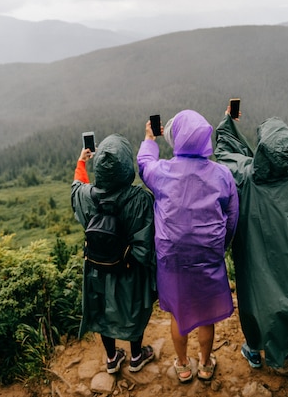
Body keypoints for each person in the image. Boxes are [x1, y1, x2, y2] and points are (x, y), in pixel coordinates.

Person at [214, 104, 288, 373]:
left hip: (250, 254)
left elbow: (224, 153)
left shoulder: (245, 175)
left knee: (252, 300)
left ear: (262, 150)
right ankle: (282, 355)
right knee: (285, 298)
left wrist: (228, 121)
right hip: (287, 255)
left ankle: (254, 348)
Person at [137, 110, 239, 383]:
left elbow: (144, 163)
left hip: (173, 259)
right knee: (207, 315)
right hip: (208, 257)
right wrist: (219, 249)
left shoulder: (162, 172)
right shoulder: (223, 175)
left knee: (179, 314)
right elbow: (231, 220)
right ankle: (205, 364)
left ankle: (182, 365)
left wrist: (149, 138)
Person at [71, 134, 157, 374]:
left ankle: (111, 358)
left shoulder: (87, 196)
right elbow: (148, 241)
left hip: (97, 268)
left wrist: (81, 162)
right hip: (129, 268)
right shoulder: (140, 199)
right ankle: (137, 356)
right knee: (134, 308)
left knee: (101, 311)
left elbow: (75, 188)